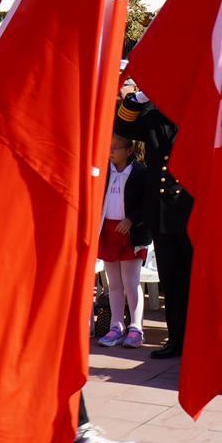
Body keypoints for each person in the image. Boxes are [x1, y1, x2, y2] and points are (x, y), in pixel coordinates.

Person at [114, 94, 193, 359]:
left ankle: (197, 340)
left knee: (194, 278)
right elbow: (122, 125)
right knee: (171, 279)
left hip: (191, 208)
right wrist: (139, 97)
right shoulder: (155, 116)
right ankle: (177, 339)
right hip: (161, 211)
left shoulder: (200, 114)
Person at [97, 133, 149, 350]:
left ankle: (136, 327)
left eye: (116, 148)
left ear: (129, 151)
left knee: (131, 282)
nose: (111, 152)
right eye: (109, 147)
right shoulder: (104, 172)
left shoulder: (140, 173)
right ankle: (116, 325)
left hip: (131, 234)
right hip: (108, 231)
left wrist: (131, 220)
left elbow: (148, 204)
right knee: (114, 284)